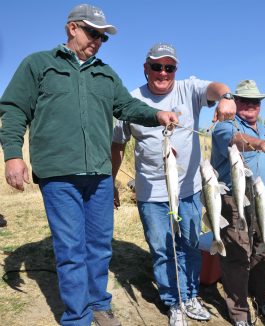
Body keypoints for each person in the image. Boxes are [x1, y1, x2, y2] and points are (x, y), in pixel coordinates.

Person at [0, 5, 177, 326]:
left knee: (99, 245)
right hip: (57, 174)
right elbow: (12, 110)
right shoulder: (38, 64)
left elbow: (127, 105)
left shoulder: (106, 74)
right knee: (70, 248)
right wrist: (13, 154)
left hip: (99, 174)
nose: (98, 40)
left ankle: (98, 304)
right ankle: (77, 317)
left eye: (103, 37)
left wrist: (157, 115)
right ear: (72, 28)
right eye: (93, 33)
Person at [111, 43, 236, 326]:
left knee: (189, 244)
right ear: (146, 68)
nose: (163, 72)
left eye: (169, 67)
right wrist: (111, 181)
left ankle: (191, 295)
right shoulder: (131, 101)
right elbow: (118, 144)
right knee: (161, 248)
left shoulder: (187, 89)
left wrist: (226, 96)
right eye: (157, 66)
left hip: (190, 189)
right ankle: (174, 302)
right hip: (151, 193)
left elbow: (215, 87)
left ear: (175, 70)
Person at [211, 80, 265, 326]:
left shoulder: (263, 128)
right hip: (234, 199)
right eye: (245, 100)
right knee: (238, 255)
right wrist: (258, 144)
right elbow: (236, 139)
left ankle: (264, 298)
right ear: (235, 102)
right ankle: (240, 313)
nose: (251, 105)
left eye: (256, 101)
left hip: (264, 200)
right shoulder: (224, 125)